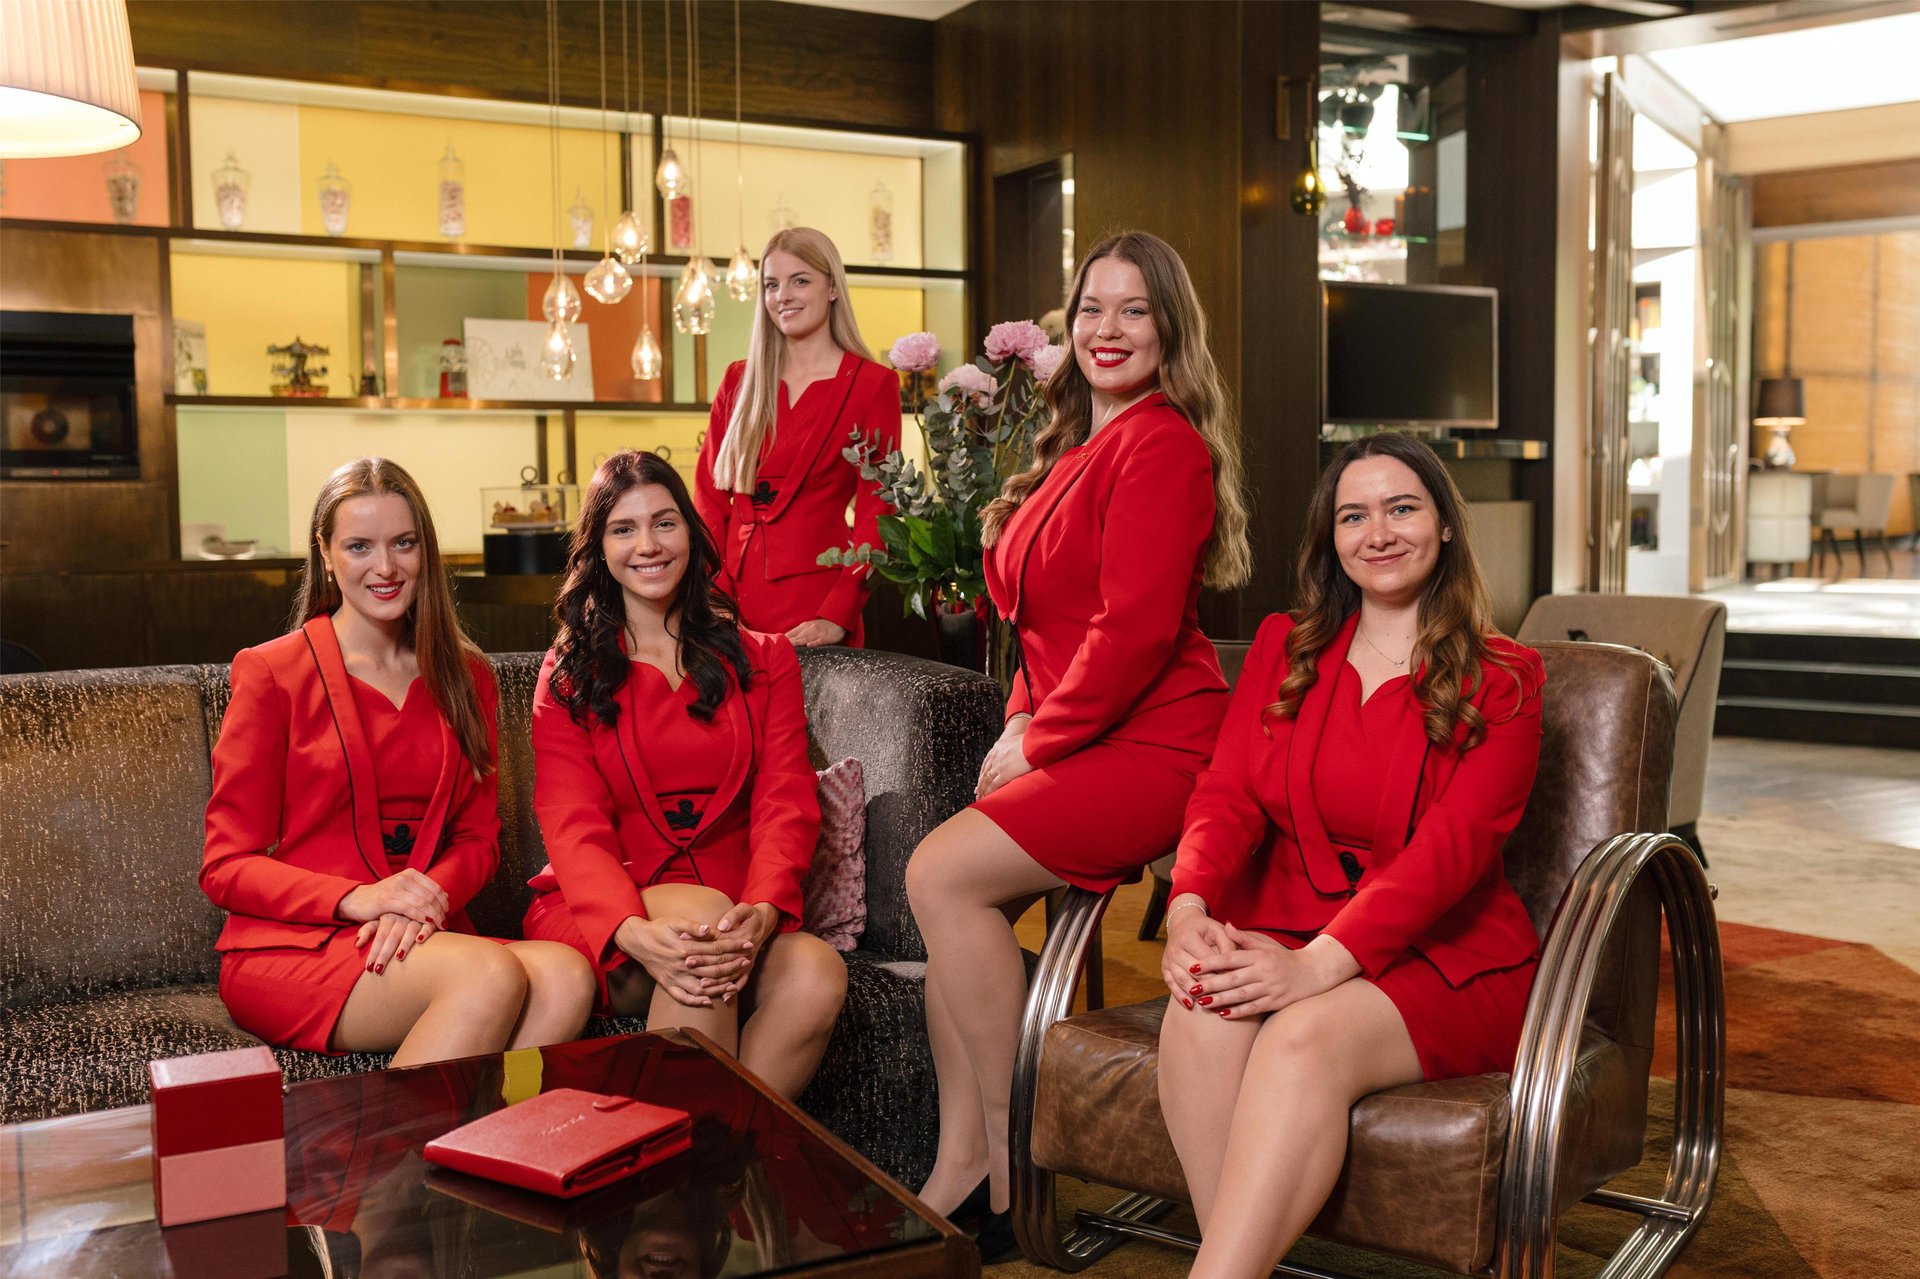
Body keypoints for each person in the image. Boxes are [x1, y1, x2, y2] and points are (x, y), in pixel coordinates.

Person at [904, 230, 1254, 1255]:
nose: (1107, 329)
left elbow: (1135, 628)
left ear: (1168, 328)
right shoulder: (1077, 446)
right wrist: (1021, 712)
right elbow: (1045, 623)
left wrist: (1042, 738)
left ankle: (1020, 1151)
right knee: (948, 914)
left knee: (941, 877)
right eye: (1091, 309)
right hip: (1077, 728)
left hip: (1156, 741)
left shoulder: (1164, 443)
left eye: (1133, 309)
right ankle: (968, 1156)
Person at [1157, 432, 1547, 1279]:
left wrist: (1319, 968)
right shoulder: (1282, 648)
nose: (1379, 532)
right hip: (1286, 922)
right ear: (1330, 540)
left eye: (1402, 508)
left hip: (1446, 954)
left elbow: (1449, 854)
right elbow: (1226, 794)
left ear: (1445, 524)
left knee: (1300, 1038)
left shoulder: (1507, 677)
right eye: (1354, 515)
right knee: (1199, 1005)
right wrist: (1188, 907)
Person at [201, 458, 596, 1067]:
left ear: (425, 551)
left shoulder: (468, 677)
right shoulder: (271, 672)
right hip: (299, 944)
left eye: (403, 543)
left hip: (419, 934)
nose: (384, 568)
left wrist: (426, 896)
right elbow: (225, 867)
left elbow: (478, 840)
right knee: (488, 973)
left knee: (569, 975)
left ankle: (486, 1151)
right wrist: (360, 897)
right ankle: (393, 1162)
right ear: (326, 554)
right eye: (359, 546)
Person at [524, 450, 848, 1099]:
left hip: (733, 915)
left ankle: (711, 1169)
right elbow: (571, 821)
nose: (648, 544)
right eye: (623, 528)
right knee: (701, 929)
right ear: (599, 547)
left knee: (817, 972)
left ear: (692, 535)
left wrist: (762, 907)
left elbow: (785, 798)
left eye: (664, 523)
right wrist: (632, 929)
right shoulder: (567, 674)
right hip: (605, 913)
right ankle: (688, 1191)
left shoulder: (767, 659)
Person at [694, 227, 902, 648]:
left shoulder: (872, 385)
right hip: (727, 605)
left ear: (831, 288)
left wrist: (838, 614)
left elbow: (877, 513)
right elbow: (707, 499)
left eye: (799, 280)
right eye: (772, 285)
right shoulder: (739, 380)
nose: (782, 296)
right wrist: (709, 594)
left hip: (815, 608)